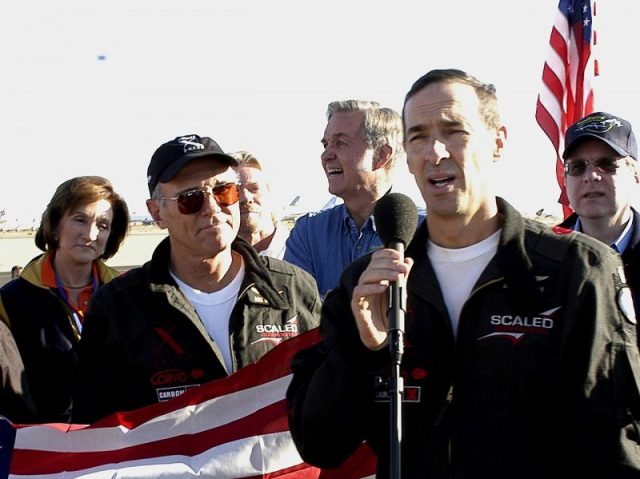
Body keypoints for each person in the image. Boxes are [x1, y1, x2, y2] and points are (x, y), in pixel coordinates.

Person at [286, 69, 640, 478]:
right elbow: (320, 445)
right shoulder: (368, 283)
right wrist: (361, 351)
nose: (435, 151)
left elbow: (614, 445)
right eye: (418, 136)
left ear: (498, 142)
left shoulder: (577, 270)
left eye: (454, 131)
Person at [72, 134, 321, 423]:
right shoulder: (119, 308)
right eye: (190, 199)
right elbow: (93, 428)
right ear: (157, 213)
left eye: (224, 191)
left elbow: (330, 399)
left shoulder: (292, 289)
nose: (213, 208)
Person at [0, 176, 129, 423]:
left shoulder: (127, 296)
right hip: (42, 446)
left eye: (103, 225)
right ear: (56, 226)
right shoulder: (9, 302)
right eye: (80, 220)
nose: (91, 234)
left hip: (116, 445)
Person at [284, 100, 408, 298]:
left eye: (340, 143)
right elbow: (296, 314)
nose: (326, 155)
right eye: (326, 144)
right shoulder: (308, 233)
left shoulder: (424, 232)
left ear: (381, 155)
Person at [558, 111, 640, 314]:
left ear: (635, 174)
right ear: (565, 179)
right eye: (578, 167)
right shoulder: (541, 258)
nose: (591, 176)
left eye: (607, 164)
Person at [229, 150, 289, 259]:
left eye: (254, 188)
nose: (245, 198)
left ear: (270, 192)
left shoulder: (303, 251)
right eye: (235, 191)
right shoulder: (215, 262)